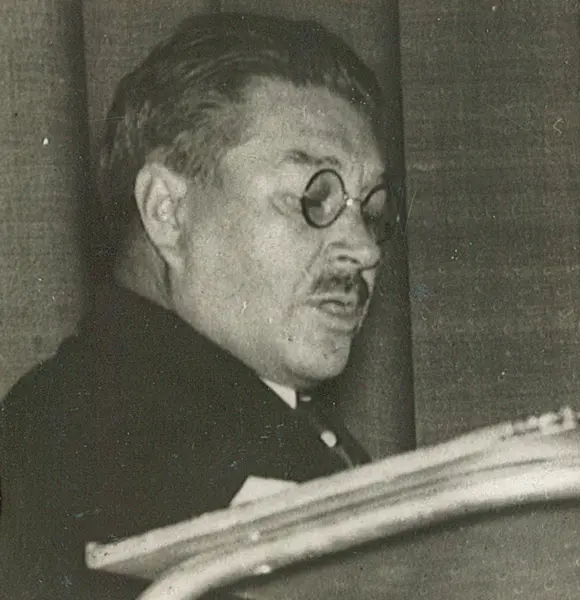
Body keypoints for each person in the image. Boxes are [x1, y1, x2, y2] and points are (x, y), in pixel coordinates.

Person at [0, 11, 397, 600]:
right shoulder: (112, 439)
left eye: (372, 209)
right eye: (314, 197)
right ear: (167, 211)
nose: (364, 249)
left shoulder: (123, 415)